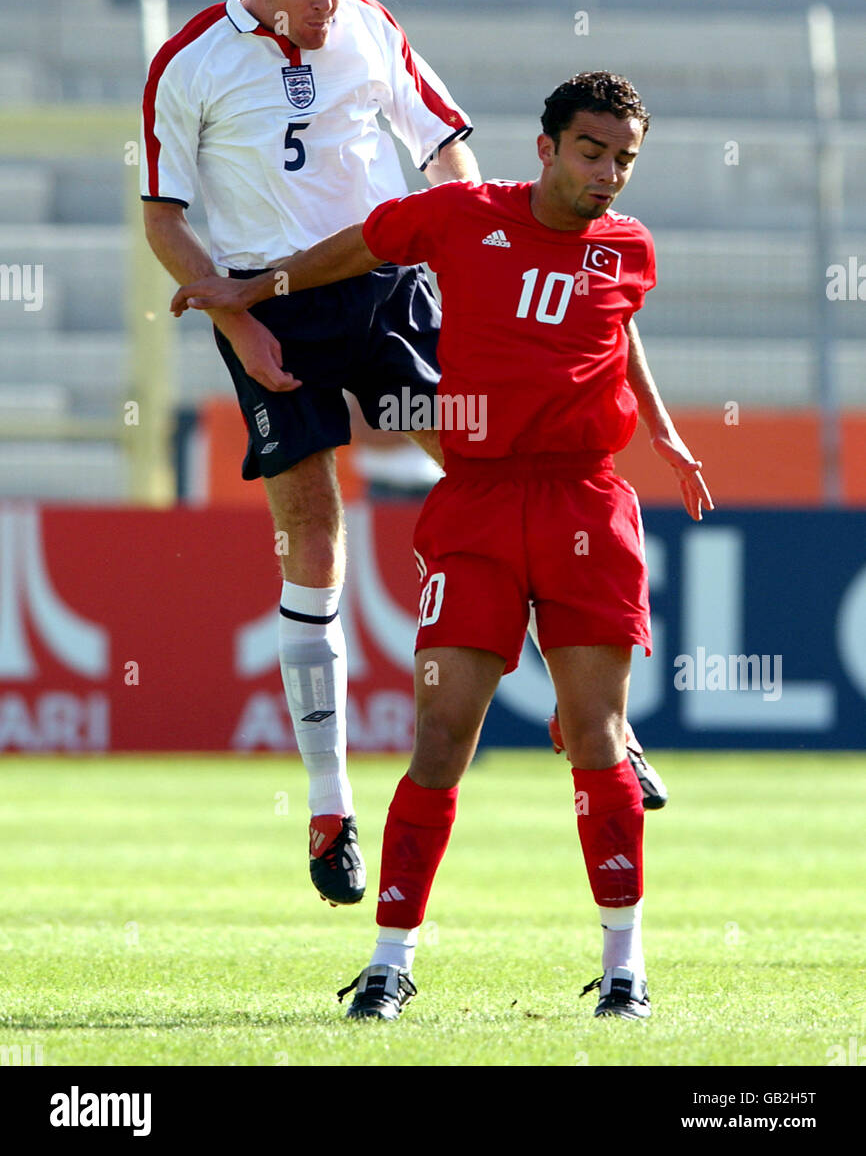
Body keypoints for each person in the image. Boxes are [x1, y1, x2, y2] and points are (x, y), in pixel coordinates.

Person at [172, 70, 714, 1021]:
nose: (609, 176)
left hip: (587, 506)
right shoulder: (459, 215)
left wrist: (662, 430)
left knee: (595, 737)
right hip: (476, 504)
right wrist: (246, 292)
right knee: (438, 738)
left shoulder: (629, 247)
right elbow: (349, 251)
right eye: (592, 152)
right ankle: (389, 960)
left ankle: (624, 970)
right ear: (545, 148)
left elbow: (619, 333)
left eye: (625, 159)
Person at [141, 0, 479, 908]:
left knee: (484, 463)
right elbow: (164, 218)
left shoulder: (371, 26)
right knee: (312, 534)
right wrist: (237, 324)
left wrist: (464, 239)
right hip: (263, 307)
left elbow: (444, 145)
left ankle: (595, 719)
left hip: (377, 288)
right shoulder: (189, 60)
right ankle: (330, 805)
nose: (328, 0)